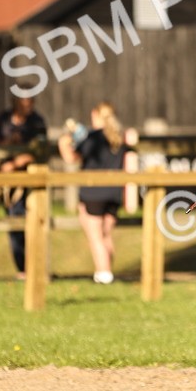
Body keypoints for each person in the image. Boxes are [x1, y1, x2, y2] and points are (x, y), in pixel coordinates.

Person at [59, 102, 129, 284]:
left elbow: (72, 158)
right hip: (114, 194)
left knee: (96, 237)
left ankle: (104, 274)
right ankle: (106, 272)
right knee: (106, 237)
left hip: (93, 194)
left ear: (95, 114)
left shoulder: (92, 138)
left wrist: (64, 143)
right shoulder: (118, 137)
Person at [0, 95, 48, 279]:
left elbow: (39, 150)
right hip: (9, 182)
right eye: (24, 102)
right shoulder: (4, 119)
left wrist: (15, 163)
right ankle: (22, 269)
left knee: (35, 222)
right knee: (14, 224)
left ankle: (36, 267)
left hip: (31, 181)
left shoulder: (37, 122)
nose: (28, 106)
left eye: (30, 101)